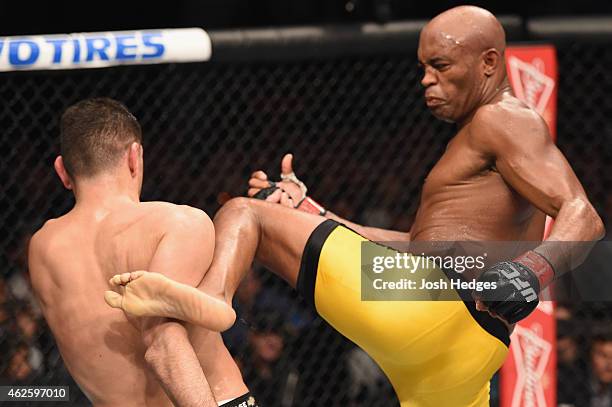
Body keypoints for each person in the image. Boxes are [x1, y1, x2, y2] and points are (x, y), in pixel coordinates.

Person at [105, 5, 604, 406]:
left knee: (244, 213)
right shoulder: (477, 144)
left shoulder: (505, 119)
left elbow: (582, 213)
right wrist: (317, 216)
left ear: (489, 63)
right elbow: (413, 248)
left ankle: (214, 299)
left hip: (432, 304)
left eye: (441, 66)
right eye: (423, 68)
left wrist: (530, 272)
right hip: (471, 349)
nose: (426, 81)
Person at [28, 98, 254, 407]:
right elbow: (163, 347)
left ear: (62, 171)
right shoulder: (177, 223)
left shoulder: (42, 247)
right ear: (135, 156)